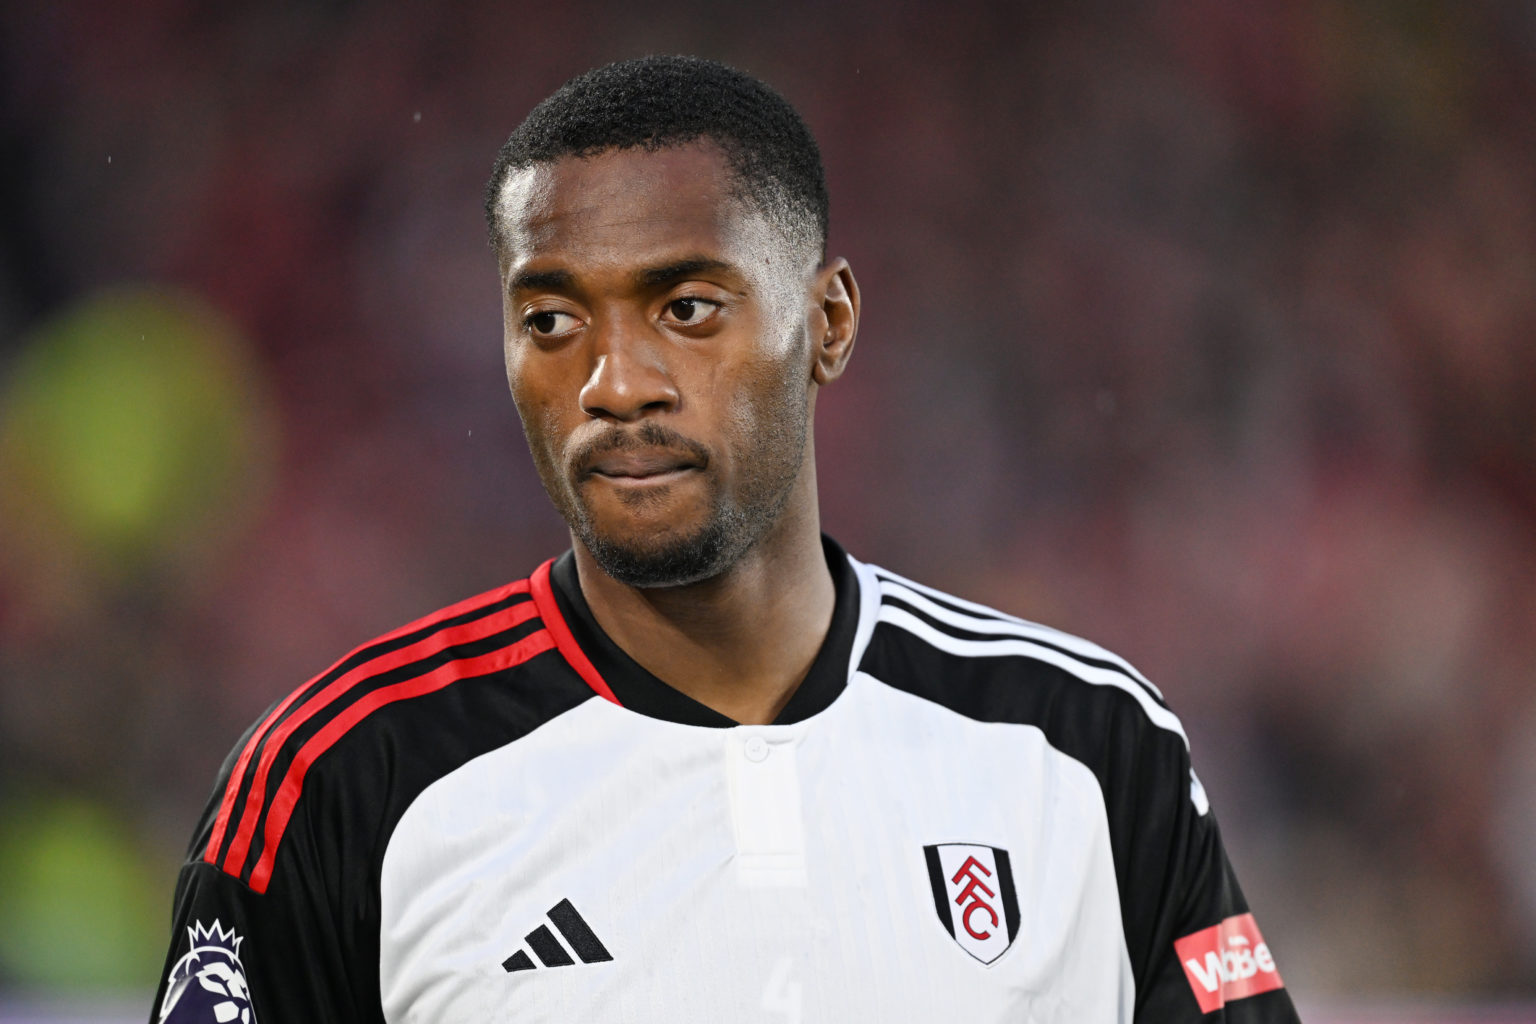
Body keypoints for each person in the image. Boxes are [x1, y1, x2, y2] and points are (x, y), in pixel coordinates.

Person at [151, 55, 1300, 1023]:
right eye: (550, 319)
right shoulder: (340, 779)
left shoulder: (1085, 751)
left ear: (829, 322)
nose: (614, 383)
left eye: (686, 308)